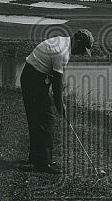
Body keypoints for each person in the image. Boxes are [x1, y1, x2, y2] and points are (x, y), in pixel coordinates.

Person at [19, 28, 94, 173]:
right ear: (77, 41)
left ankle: (36, 159)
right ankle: (44, 163)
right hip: (33, 79)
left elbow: (54, 81)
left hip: (34, 77)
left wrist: (59, 102)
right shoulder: (62, 52)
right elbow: (57, 83)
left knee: (38, 120)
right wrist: (61, 105)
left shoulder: (64, 43)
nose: (83, 53)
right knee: (47, 120)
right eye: (83, 49)